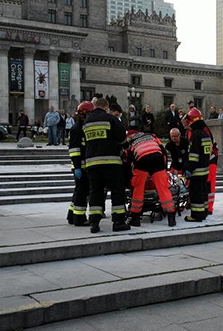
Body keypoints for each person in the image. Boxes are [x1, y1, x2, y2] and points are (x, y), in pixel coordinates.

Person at [83, 97, 129, 233]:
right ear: (106, 108)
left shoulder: (87, 122)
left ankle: (94, 223)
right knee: (117, 190)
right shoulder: (110, 119)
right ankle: (118, 221)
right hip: (111, 162)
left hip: (92, 163)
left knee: (95, 192)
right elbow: (122, 138)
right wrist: (124, 146)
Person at [126, 128, 177, 227]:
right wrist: (164, 169)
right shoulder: (151, 136)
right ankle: (171, 217)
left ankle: (135, 218)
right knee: (163, 188)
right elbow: (163, 151)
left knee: (138, 188)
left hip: (142, 160)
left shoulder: (130, 141)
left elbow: (129, 159)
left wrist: (131, 175)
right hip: (158, 159)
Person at [182, 108, 212, 222]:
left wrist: (188, 168)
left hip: (197, 171)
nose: (186, 125)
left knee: (196, 194)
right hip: (205, 170)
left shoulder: (195, 135)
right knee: (203, 193)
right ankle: (203, 213)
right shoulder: (205, 133)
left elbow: (194, 155)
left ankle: (196, 216)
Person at [67, 101, 94, 227]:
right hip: (80, 167)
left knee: (78, 191)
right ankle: (79, 218)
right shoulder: (77, 129)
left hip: (82, 166)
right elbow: (74, 150)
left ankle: (71, 215)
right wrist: (77, 167)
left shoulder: (82, 128)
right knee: (82, 192)